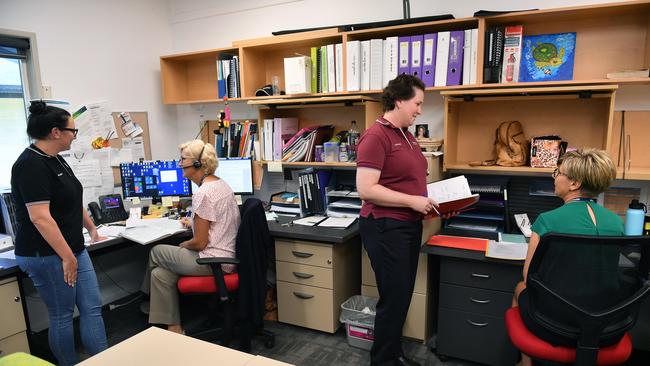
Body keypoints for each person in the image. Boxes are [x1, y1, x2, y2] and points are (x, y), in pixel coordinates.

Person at [356, 74, 445, 366]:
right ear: (399, 101)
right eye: (417, 103)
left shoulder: (406, 135)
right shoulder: (376, 136)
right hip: (384, 226)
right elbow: (366, 189)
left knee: (401, 295)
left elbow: (408, 180)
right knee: (394, 298)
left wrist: (430, 202)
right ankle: (383, 361)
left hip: (406, 225)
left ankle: (393, 354)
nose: (420, 110)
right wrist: (412, 201)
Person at [11, 100, 108, 366]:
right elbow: (40, 218)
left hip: (73, 249)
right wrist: (67, 257)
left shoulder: (56, 160)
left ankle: (103, 360)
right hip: (46, 253)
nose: (74, 137)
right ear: (56, 132)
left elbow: (73, 199)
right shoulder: (30, 165)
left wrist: (91, 229)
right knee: (62, 314)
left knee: (92, 307)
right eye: (72, 131)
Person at [512, 148, 624, 366]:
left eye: (558, 173)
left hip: (555, 325)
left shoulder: (547, 220)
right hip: (606, 325)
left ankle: (526, 363)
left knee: (519, 288)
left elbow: (529, 278)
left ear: (574, 184)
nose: (554, 178)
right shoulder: (616, 223)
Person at [141, 139, 240, 334]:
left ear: (197, 164)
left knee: (156, 251)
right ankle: (174, 328)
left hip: (213, 261)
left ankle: (144, 295)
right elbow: (215, 222)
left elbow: (200, 242)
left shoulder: (203, 193)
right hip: (226, 256)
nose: (179, 164)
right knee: (160, 274)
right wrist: (193, 222)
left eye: (183, 159)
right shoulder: (220, 184)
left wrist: (184, 244)